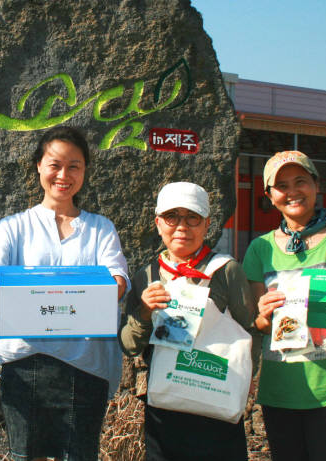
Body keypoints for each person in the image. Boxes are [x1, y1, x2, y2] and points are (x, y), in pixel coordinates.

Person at [0, 126, 130, 461]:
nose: (64, 175)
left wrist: (111, 289)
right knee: (24, 455)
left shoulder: (101, 228)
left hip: (84, 367)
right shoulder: (13, 226)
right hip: (25, 364)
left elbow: (118, 278)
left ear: (86, 171)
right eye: (55, 165)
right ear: (39, 167)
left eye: (74, 166)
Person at [242, 150, 326, 461]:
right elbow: (257, 324)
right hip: (281, 391)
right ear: (269, 195)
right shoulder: (259, 248)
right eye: (282, 186)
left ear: (317, 185)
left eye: (300, 181)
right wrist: (264, 314)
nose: (292, 191)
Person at [118, 182, 259, 461]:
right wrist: (145, 311)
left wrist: (246, 378)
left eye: (192, 217)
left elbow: (249, 330)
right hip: (167, 403)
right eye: (172, 217)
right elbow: (129, 345)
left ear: (207, 224)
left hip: (216, 396)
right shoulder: (147, 275)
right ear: (158, 223)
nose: (182, 227)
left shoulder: (226, 271)